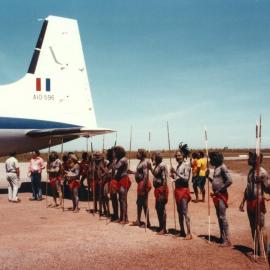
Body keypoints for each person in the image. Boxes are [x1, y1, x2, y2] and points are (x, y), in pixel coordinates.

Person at [239, 151, 270, 256]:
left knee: (261, 227)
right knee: (253, 227)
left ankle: (265, 252)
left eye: (250, 158)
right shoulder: (251, 171)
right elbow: (247, 188)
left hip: (258, 202)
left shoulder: (263, 172)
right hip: (249, 203)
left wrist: (262, 180)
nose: (248, 159)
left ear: (256, 159)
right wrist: (242, 202)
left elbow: (268, 190)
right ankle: (256, 250)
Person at [208, 151, 232, 247]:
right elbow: (215, 181)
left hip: (221, 195)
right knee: (219, 216)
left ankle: (227, 239)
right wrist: (208, 177)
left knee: (222, 217)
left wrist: (220, 190)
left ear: (216, 158)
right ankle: (222, 237)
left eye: (211, 159)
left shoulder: (223, 167)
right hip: (216, 195)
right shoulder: (216, 168)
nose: (210, 160)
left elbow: (229, 181)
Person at [170, 143, 192, 239]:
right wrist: (173, 176)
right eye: (176, 156)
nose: (177, 157)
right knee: (179, 212)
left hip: (183, 190)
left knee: (184, 212)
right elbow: (178, 177)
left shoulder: (186, 165)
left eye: (179, 155)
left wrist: (176, 173)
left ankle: (189, 233)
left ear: (183, 156)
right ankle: (182, 231)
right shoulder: (178, 165)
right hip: (177, 190)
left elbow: (186, 179)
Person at [129, 149, 151, 228]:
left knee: (144, 204)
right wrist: (132, 172)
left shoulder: (144, 163)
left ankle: (147, 222)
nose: (136, 154)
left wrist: (143, 186)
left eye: (138, 153)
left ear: (141, 154)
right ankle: (138, 220)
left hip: (143, 184)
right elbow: (139, 173)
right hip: (141, 184)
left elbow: (145, 175)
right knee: (139, 203)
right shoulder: (140, 162)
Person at [149, 152, 168, 235]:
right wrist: (151, 167)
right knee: (158, 208)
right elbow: (155, 174)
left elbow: (164, 180)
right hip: (157, 189)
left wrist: (163, 193)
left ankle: (163, 228)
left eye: (154, 157)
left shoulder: (161, 166)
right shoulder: (157, 165)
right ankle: (161, 226)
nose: (153, 158)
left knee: (162, 208)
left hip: (161, 189)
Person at [113, 146, 131, 224]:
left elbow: (116, 167)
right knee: (120, 199)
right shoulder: (119, 159)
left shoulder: (123, 159)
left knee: (123, 199)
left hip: (124, 180)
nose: (113, 154)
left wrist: (114, 160)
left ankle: (125, 218)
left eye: (114, 152)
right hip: (120, 179)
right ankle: (121, 217)